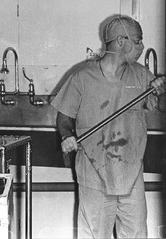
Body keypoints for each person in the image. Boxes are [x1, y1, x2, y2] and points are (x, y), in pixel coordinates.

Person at [51, 15, 165, 238]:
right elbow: (64, 118)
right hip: (95, 173)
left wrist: (162, 90)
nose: (142, 47)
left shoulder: (142, 75)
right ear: (121, 41)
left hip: (131, 174)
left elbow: (161, 106)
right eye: (138, 40)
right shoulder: (82, 77)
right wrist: (67, 136)